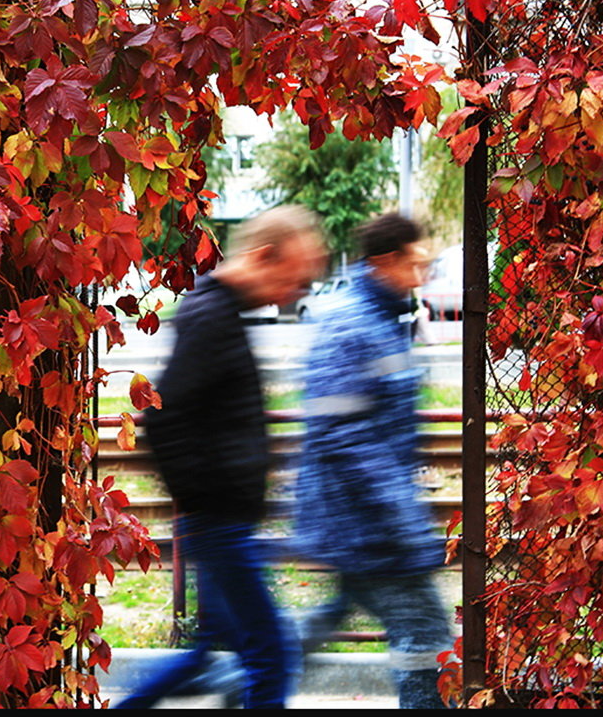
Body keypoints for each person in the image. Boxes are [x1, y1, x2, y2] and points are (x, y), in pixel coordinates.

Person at [114, 205, 326, 709]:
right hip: (220, 521)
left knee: (207, 653)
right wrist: (204, 501)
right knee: (271, 657)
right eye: (292, 279)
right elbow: (163, 418)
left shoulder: (222, 312)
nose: (292, 294)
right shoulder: (213, 316)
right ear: (264, 256)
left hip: (221, 520)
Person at [291, 213, 453, 709]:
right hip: (364, 524)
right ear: (386, 261)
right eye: (415, 262)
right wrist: (405, 520)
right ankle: (252, 670)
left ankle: (249, 676)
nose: (422, 273)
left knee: (330, 621)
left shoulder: (383, 315)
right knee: (426, 634)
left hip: (362, 520)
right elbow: (346, 437)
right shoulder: (352, 323)